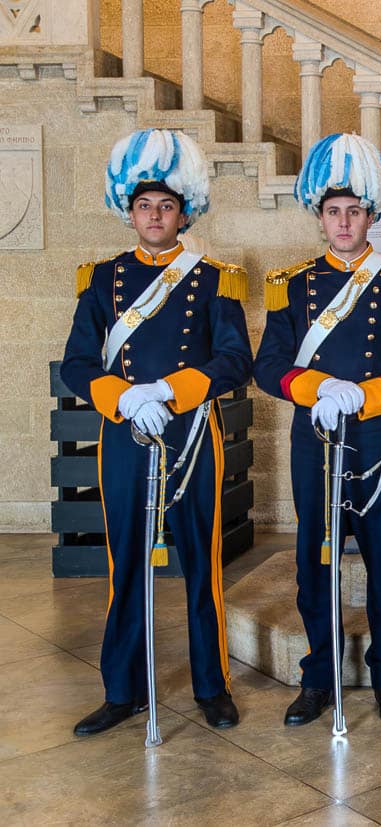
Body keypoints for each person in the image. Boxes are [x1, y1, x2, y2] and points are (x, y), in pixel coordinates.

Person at [62, 129, 252, 734]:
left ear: (183, 212)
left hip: (193, 431)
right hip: (125, 434)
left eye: (166, 206)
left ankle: (210, 685)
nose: (155, 215)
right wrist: (124, 397)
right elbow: (77, 362)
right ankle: (124, 689)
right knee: (128, 567)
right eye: (144, 205)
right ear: (130, 210)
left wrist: (169, 391)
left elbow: (233, 360)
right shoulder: (101, 278)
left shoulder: (215, 277)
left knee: (202, 562)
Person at [253, 133, 381, 726]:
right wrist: (316, 389)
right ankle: (321, 675)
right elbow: (268, 366)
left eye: (354, 211)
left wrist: (364, 393)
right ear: (319, 215)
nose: (344, 222)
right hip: (315, 441)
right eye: (333, 212)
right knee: (316, 558)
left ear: (371, 215)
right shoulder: (291, 285)